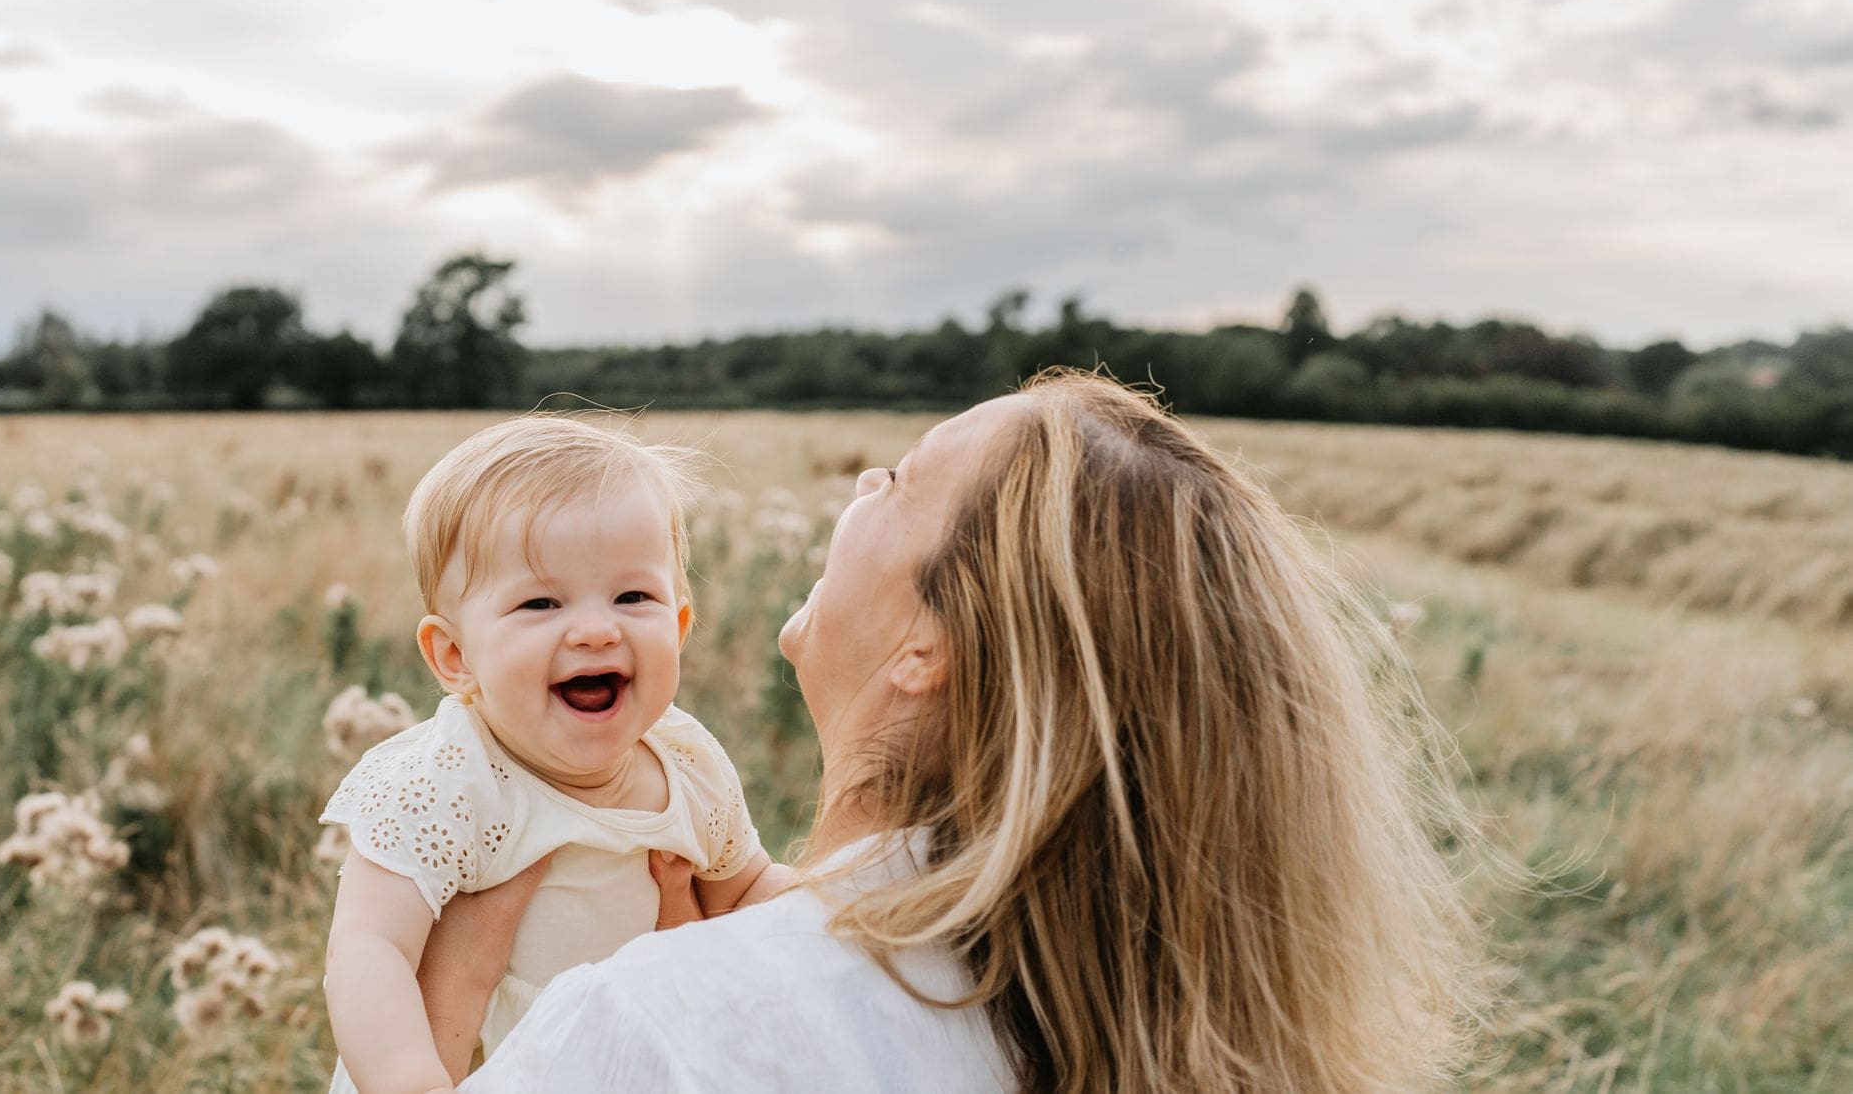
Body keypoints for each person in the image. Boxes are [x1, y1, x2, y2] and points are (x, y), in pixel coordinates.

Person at [416, 371, 1481, 1094]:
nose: (862, 485)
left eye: (902, 478)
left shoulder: (649, 1028)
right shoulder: (1176, 1028)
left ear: (929, 640)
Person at [319, 416, 789, 1094]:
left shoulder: (686, 762)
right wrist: (410, 1079)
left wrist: (837, 909)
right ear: (455, 657)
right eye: (541, 602)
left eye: (634, 596)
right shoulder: (448, 779)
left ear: (680, 625)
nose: (597, 629)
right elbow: (368, 949)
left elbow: (744, 890)